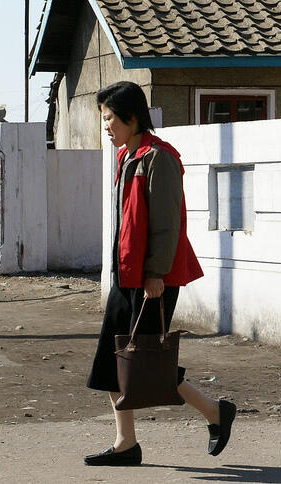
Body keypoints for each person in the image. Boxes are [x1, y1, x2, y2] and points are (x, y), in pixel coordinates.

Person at [84, 81, 236, 467]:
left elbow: (167, 225)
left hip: (154, 278)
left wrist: (155, 274)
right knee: (113, 360)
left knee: (149, 360)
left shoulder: (159, 158)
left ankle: (216, 413)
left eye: (110, 118)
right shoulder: (125, 156)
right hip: (127, 275)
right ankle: (125, 443)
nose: (106, 126)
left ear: (132, 118)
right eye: (105, 118)